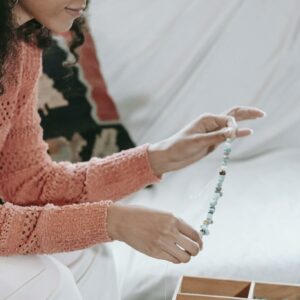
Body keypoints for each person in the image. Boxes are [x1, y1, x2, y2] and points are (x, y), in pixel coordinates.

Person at [0, 0, 265, 265]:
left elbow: (30, 184)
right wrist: (112, 222)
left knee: (91, 258)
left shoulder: (21, 46)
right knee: (48, 278)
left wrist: (159, 157)